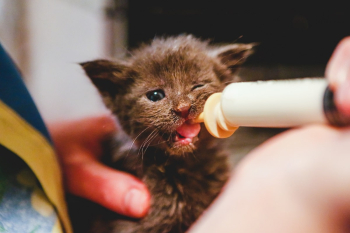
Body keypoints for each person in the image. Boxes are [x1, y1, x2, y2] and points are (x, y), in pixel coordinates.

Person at [49, 36, 350, 232]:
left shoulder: (222, 170)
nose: (182, 105)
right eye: (155, 95)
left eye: (197, 88)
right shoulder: (133, 174)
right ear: (113, 96)